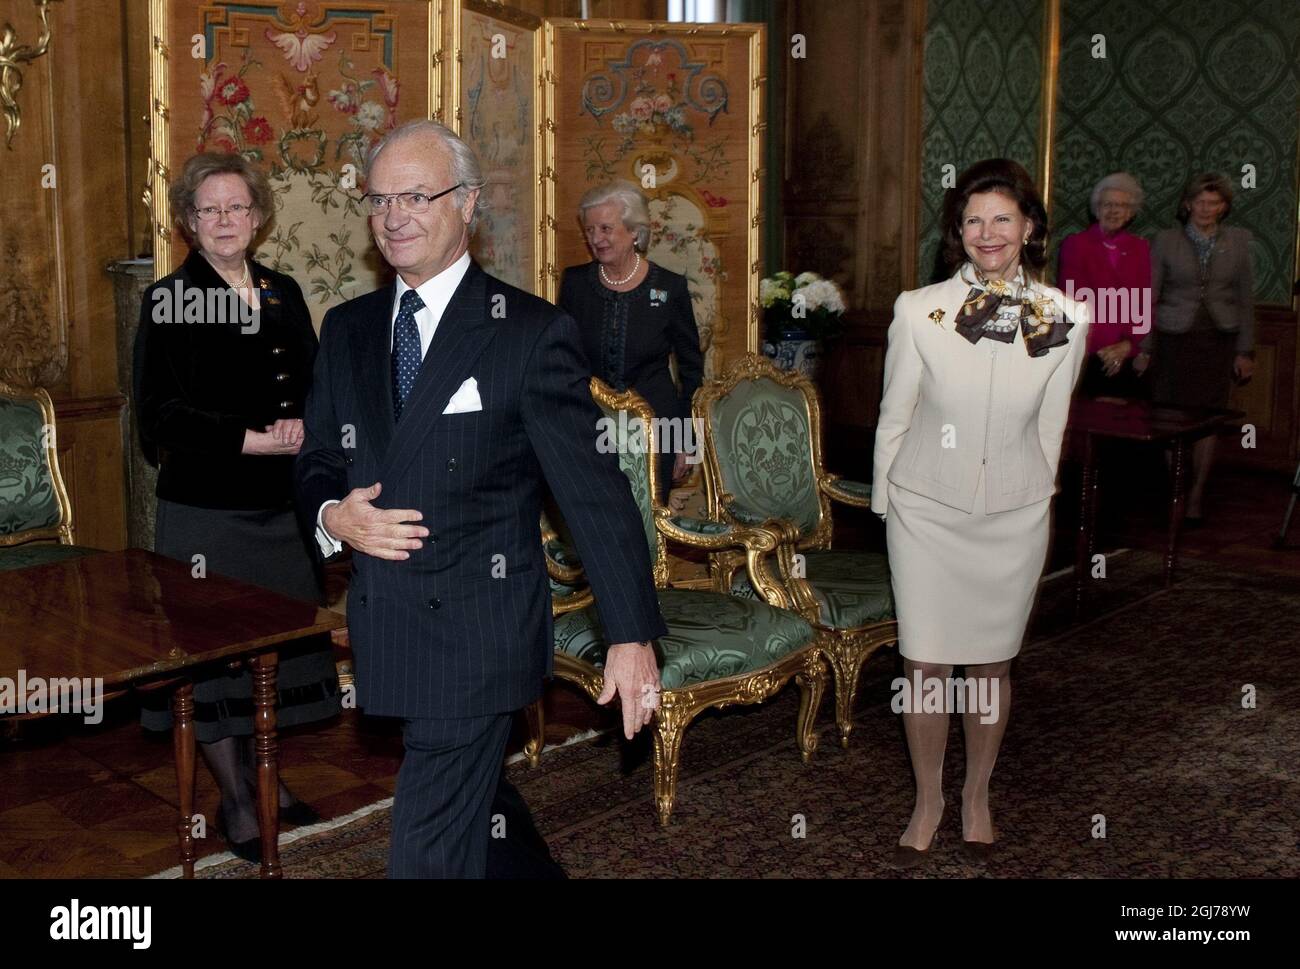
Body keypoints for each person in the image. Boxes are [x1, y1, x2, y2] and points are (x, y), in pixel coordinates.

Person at [295, 120, 668, 879]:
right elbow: (318, 458)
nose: (393, 215)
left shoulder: (529, 333)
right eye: (378, 198)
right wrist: (334, 515)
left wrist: (630, 633)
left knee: (429, 840)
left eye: (415, 195)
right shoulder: (348, 328)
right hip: (388, 622)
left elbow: (595, 494)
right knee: (478, 802)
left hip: (477, 626)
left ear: (466, 203)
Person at [871, 159, 1089, 864]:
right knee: (926, 663)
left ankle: (978, 793)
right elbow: (892, 416)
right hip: (926, 509)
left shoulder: (1065, 315)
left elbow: (1051, 426)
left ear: (1029, 228)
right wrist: (885, 506)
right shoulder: (919, 309)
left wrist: (1033, 495)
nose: (987, 232)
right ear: (957, 232)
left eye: (1002, 219)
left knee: (991, 667)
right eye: (973, 220)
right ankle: (930, 796)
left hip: (1015, 514)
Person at [134, 151, 340, 862]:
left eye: (238, 208)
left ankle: (270, 781)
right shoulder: (170, 299)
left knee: (273, 663)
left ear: (258, 217)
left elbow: (314, 385)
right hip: (207, 514)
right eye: (210, 209)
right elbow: (157, 417)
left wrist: (308, 427)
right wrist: (252, 439)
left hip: (280, 510)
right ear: (190, 223)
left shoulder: (281, 290)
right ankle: (235, 800)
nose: (226, 220)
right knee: (216, 665)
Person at [558, 181, 704, 500]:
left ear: (634, 232)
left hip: (657, 431)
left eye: (606, 228)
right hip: (593, 429)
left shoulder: (670, 288)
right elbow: (562, 363)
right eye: (590, 230)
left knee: (649, 527)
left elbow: (693, 372)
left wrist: (689, 442)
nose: (596, 239)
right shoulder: (575, 284)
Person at [1135, 173, 1255, 523]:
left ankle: (1196, 498)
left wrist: (1245, 351)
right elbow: (1149, 297)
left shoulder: (1238, 242)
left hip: (1218, 342)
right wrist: (1145, 347)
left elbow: (1245, 299)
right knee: (1173, 420)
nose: (1207, 209)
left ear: (1224, 207)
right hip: (1173, 342)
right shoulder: (1165, 240)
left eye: (1214, 202)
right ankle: (1175, 492)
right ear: (1187, 204)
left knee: (1208, 421)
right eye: (1200, 201)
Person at [1057, 172, 1151, 399]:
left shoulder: (1140, 248)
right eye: (1107, 204)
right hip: (1088, 350)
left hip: (1128, 350)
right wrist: (1106, 349)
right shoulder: (1076, 245)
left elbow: (1143, 303)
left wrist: (1130, 346)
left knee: (1126, 424)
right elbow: (1073, 302)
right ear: (1096, 209)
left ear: (1131, 212)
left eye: (1122, 205)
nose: (1114, 210)